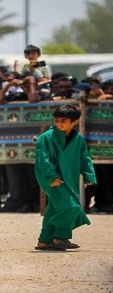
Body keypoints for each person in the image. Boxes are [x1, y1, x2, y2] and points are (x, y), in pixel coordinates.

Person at [34, 104, 96, 251]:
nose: (59, 123)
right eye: (56, 120)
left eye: (63, 120)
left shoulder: (78, 138)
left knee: (55, 208)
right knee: (71, 207)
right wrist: (51, 176)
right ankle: (60, 237)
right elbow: (43, 159)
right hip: (50, 177)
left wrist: (88, 175)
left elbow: (84, 158)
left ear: (75, 121)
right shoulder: (46, 137)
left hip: (69, 177)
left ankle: (44, 241)